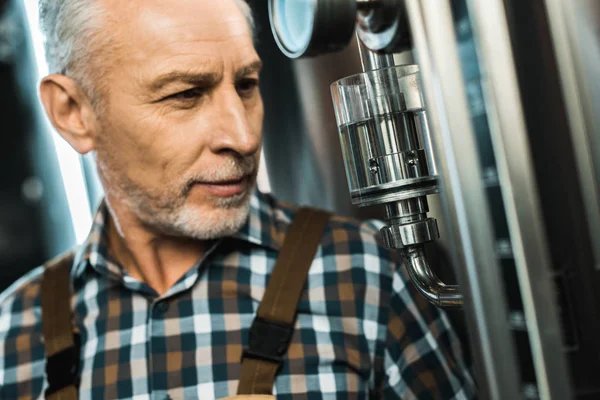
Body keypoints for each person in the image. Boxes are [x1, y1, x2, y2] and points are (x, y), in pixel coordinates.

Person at [0, 0, 476, 398]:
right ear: (73, 112)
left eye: (246, 85)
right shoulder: (12, 337)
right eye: (186, 94)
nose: (243, 137)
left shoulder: (366, 274)